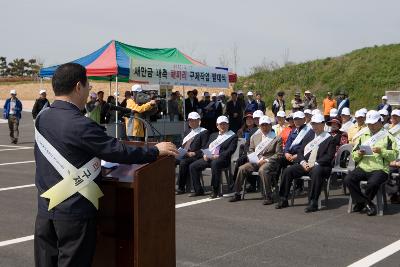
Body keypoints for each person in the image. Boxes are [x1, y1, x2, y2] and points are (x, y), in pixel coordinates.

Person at [33, 63, 178, 267]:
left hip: (45, 211)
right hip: (75, 214)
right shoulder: (80, 124)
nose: (88, 91)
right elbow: (117, 151)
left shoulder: (43, 117)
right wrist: (155, 151)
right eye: (88, 86)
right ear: (78, 87)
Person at [276, 113, 336, 212]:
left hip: (320, 166)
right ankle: (283, 199)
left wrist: (315, 163)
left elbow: (329, 157)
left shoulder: (329, 138)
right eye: (313, 124)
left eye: (317, 124)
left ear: (323, 124)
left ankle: (313, 202)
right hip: (306, 164)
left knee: (317, 171)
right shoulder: (309, 135)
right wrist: (303, 162)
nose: (314, 126)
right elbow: (300, 151)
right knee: (288, 171)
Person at [344, 110, 398, 216]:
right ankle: (366, 203)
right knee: (348, 179)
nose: (371, 126)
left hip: (380, 169)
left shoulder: (388, 136)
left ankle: (362, 203)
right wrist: (359, 153)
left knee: (372, 183)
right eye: (369, 124)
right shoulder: (363, 136)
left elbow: (394, 155)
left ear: (380, 122)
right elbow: (354, 155)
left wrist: (381, 151)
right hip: (363, 167)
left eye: (373, 123)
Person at [230, 116, 283, 204]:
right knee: (242, 168)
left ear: (270, 125)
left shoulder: (277, 138)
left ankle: (268, 196)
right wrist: (254, 158)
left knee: (263, 170)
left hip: (269, 161)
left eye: (266, 125)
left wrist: (265, 160)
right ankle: (237, 193)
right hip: (256, 161)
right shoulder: (255, 137)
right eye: (262, 125)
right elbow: (250, 150)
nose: (264, 127)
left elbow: (279, 154)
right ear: (259, 126)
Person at [189, 116, 238, 198]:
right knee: (193, 166)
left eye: (224, 124)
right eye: (220, 124)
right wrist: (205, 154)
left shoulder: (232, 136)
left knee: (215, 164)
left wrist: (217, 156)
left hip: (222, 159)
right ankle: (198, 190)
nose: (222, 126)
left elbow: (230, 150)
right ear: (217, 125)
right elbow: (205, 147)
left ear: (228, 125)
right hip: (209, 158)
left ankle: (215, 190)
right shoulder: (213, 135)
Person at [176, 112, 209, 194]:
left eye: (193, 120)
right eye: (190, 120)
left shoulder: (204, 132)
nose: (191, 122)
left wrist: (194, 153)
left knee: (184, 162)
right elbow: (182, 145)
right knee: (170, 160)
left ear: (198, 121)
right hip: (185, 154)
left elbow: (205, 147)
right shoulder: (187, 132)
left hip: (196, 156)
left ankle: (181, 187)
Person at [387, 109, 400, 203]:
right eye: (393, 116)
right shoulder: (386, 129)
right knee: (383, 171)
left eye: (397, 116)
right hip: (391, 159)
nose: (394, 118)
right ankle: (393, 194)